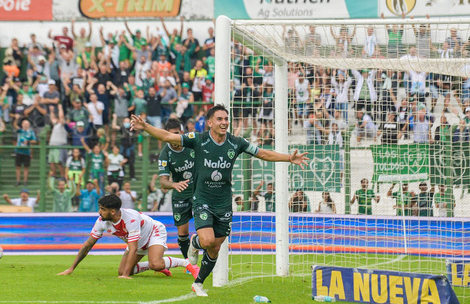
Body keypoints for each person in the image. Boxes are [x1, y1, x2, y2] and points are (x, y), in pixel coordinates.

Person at [131, 104, 308, 296]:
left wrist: (289, 158)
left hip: (224, 201)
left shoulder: (236, 142)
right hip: (202, 199)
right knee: (207, 241)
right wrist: (146, 126)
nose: (224, 123)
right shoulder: (198, 139)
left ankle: (198, 283)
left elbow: (263, 153)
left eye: (226, 119)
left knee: (216, 246)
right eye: (219, 119)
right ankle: (196, 242)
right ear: (209, 123)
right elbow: (168, 137)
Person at [57, 194, 199, 279]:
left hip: (153, 232)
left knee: (153, 263)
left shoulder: (130, 218)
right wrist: (71, 268)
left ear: (113, 212)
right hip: (137, 241)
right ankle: (156, 266)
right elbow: (88, 244)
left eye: (103, 209)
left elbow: (132, 249)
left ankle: (187, 263)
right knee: (124, 270)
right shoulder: (101, 221)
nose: (99, 212)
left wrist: (125, 276)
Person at [158, 118, 196, 260]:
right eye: (169, 135)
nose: (172, 138)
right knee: (182, 233)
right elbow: (163, 182)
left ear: (180, 132)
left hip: (199, 192)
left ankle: (199, 246)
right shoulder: (165, 154)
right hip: (180, 194)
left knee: (204, 227)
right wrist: (174, 184)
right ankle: (190, 263)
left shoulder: (191, 143)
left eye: (175, 134)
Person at [15, 118, 37, 187]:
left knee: (26, 167)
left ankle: (25, 181)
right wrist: (16, 119)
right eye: (24, 124)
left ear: (29, 125)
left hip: (26, 152)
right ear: (22, 125)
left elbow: (34, 141)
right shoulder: (20, 131)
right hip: (18, 151)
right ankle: (18, 181)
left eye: (27, 124)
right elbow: (15, 126)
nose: (25, 125)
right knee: (18, 166)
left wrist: (28, 142)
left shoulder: (31, 132)